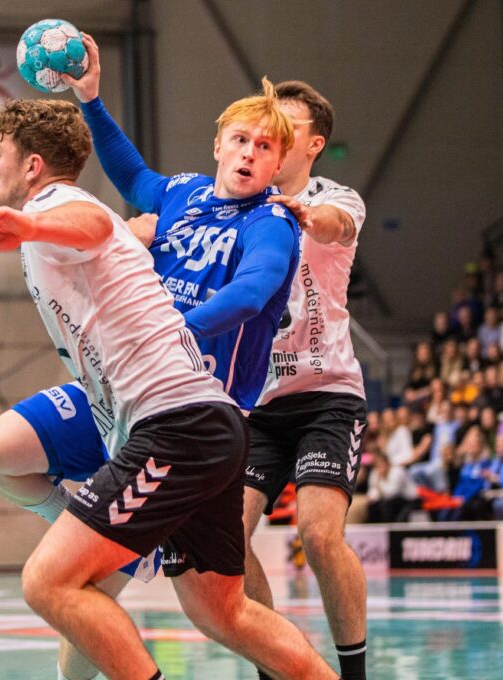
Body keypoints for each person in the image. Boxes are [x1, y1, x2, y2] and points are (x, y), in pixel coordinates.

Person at [0, 98, 337, 678]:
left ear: (32, 166)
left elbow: (93, 223)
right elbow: (131, 180)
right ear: (217, 145)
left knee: (53, 581)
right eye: (240, 139)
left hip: (180, 418)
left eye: (265, 147)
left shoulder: (267, 220)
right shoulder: (182, 196)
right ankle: (103, 530)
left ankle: (113, 538)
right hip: (155, 414)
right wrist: (91, 100)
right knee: (222, 611)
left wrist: (29, 224)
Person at [240, 80, 370, 680]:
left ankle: (354, 674)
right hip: (258, 404)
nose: (270, 133)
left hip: (328, 397)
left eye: (286, 126)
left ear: (314, 143)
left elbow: (335, 226)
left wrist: (304, 215)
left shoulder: (334, 197)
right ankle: (279, 668)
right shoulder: (241, 201)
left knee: (318, 536)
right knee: (226, 539)